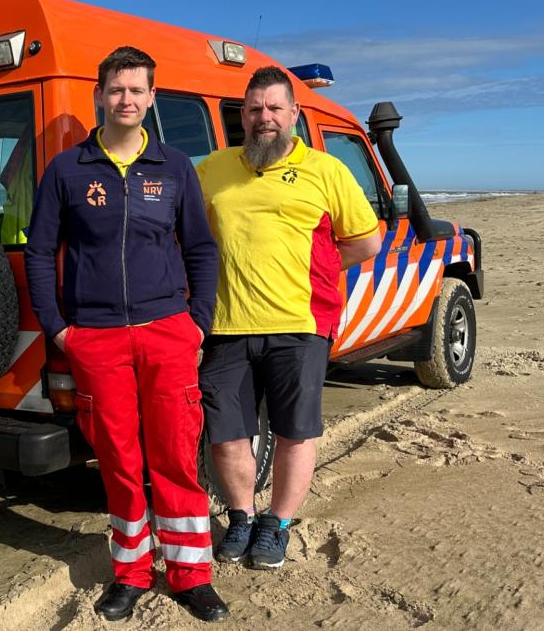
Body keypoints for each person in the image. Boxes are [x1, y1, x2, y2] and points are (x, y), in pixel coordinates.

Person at [24, 46, 226, 622]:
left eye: (137, 91)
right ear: (99, 96)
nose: (127, 100)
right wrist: (60, 330)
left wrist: (198, 322)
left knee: (176, 457)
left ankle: (190, 576)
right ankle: (132, 572)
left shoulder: (176, 167)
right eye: (117, 90)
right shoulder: (66, 169)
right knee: (117, 459)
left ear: (152, 98)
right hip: (97, 337)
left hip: (169, 331)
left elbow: (201, 249)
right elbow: (41, 253)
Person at [195, 66, 381, 571]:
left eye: (275, 108)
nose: (264, 118)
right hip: (226, 326)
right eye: (255, 109)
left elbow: (365, 240)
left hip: (300, 325)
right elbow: (186, 237)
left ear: (294, 113)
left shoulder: (326, 170)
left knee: (295, 431)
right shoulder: (212, 169)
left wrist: (314, 268)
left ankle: (275, 524)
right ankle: (240, 516)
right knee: (226, 433)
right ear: (243, 116)